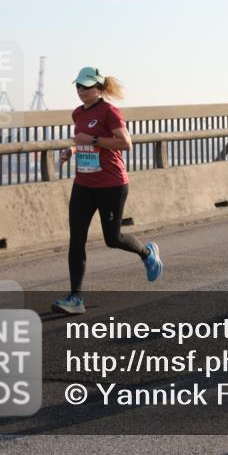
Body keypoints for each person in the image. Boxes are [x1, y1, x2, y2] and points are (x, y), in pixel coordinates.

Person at [53, 67, 163, 315]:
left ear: (99, 89)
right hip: (84, 183)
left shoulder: (109, 111)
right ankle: (75, 298)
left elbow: (125, 143)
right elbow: (81, 139)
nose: (81, 91)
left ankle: (146, 253)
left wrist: (91, 140)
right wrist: (72, 150)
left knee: (112, 239)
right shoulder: (77, 113)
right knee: (76, 239)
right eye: (78, 87)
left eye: (87, 87)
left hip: (111, 184)